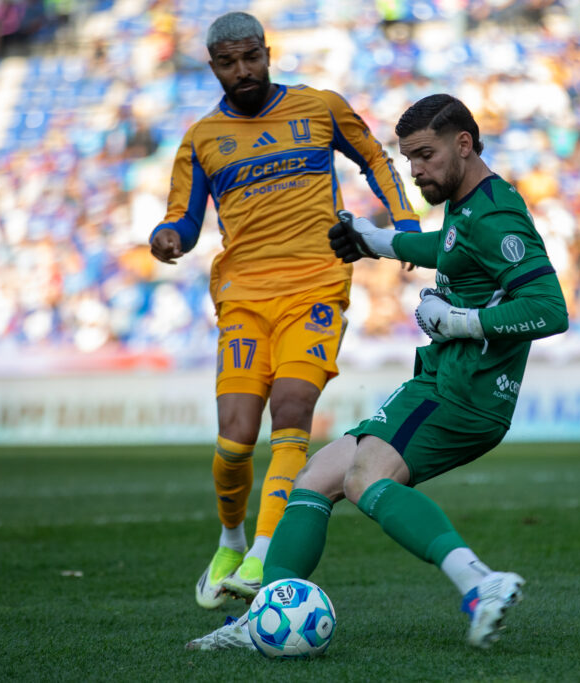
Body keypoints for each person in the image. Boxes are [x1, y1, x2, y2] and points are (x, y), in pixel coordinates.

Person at [184, 93, 569, 651]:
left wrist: (461, 321)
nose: (414, 170)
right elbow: (454, 249)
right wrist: (379, 241)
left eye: (425, 155)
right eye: (408, 157)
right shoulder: (471, 202)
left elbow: (550, 309)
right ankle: (267, 611)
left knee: (366, 479)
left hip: (465, 393)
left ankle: (479, 583)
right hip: (440, 382)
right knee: (314, 479)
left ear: (464, 144)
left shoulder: (497, 214)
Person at [149, 12, 420, 610]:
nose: (242, 71)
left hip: (316, 287)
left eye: (251, 58)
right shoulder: (200, 139)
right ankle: (231, 539)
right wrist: (166, 237)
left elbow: (376, 158)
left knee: (293, 407)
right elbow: (185, 220)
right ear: (213, 66)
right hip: (244, 299)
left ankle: (266, 549)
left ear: (268, 53)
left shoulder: (320, 107)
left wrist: (403, 224)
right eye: (228, 62)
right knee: (236, 439)